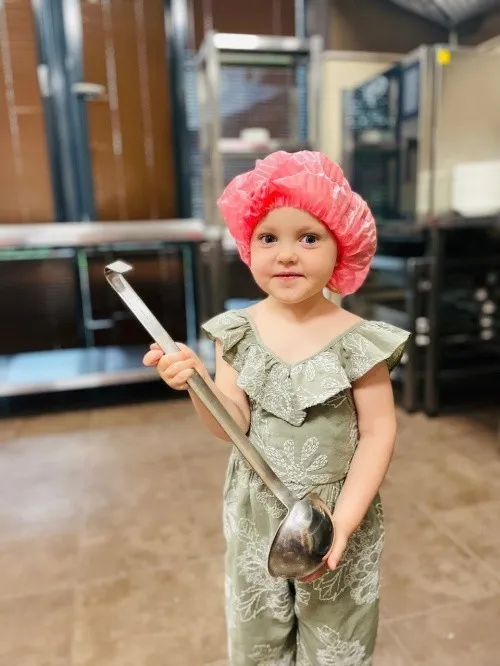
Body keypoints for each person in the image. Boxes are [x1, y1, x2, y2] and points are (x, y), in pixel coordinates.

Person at [143, 151, 410, 665]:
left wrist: (344, 522)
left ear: (342, 246)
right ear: (248, 246)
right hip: (255, 512)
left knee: (337, 637)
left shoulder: (360, 341)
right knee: (258, 636)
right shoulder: (236, 331)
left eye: (308, 238)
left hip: (337, 509)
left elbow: (379, 433)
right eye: (268, 238)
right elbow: (233, 425)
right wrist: (198, 384)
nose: (286, 255)